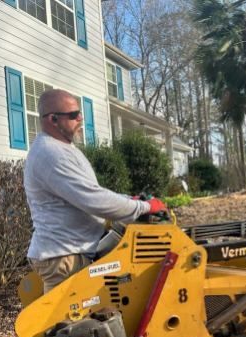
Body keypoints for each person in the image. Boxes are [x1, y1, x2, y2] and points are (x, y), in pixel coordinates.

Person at [24, 89, 165, 293]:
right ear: (53, 119)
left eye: (80, 113)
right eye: (73, 115)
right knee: (72, 324)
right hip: (65, 258)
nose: (80, 118)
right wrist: (143, 206)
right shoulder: (50, 153)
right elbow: (93, 200)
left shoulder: (63, 148)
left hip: (71, 252)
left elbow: (91, 190)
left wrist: (129, 199)